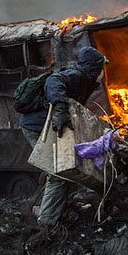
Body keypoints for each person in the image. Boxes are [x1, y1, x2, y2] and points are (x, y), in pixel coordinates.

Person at [18, 46, 108, 227]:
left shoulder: (86, 80)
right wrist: (60, 109)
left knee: (63, 169)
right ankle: (46, 223)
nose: (103, 72)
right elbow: (53, 81)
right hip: (37, 127)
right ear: (94, 66)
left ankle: (42, 208)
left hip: (47, 126)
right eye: (101, 67)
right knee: (60, 173)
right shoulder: (77, 75)